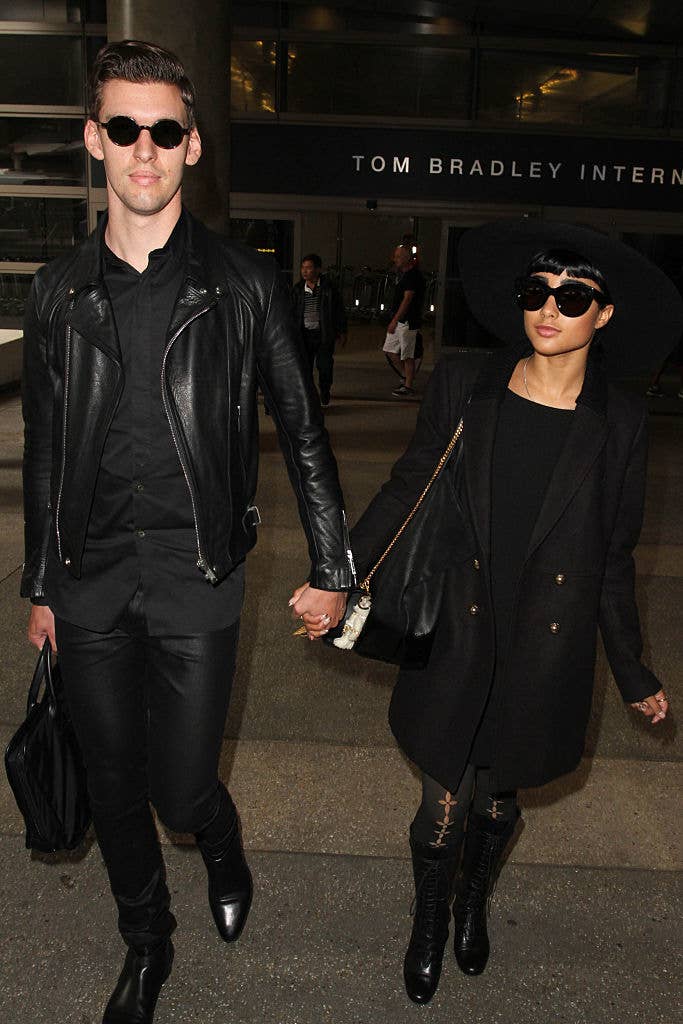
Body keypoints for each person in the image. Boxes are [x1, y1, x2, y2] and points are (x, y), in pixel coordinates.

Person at [21, 40, 353, 1024]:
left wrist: (332, 564)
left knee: (176, 787)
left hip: (198, 574)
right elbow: (44, 452)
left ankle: (215, 833)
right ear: (93, 139)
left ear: (192, 145)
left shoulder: (243, 287)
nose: (143, 149)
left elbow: (301, 430)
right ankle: (146, 939)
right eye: (122, 127)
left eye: (164, 130)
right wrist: (42, 582)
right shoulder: (57, 293)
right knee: (114, 783)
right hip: (88, 579)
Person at [346, 219, 677, 1005]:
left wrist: (631, 669)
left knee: (499, 798)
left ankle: (472, 901)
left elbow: (611, 558)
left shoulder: (622, 425)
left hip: (544, 646)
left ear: (602, 315)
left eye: (572, 296)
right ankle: (430, 918)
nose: (549, 309)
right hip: (457, 628)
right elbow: (405, 484)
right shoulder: (467, 385)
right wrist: (340, 573)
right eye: (536, 292)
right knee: (443, 799)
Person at [291, 252, 347, 408]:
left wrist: (342, 331)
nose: (304, 271)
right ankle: (308, 397)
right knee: (304, 368)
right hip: (304, 335)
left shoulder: (329, 289)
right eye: (303, 268)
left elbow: (339, 311)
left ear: (318, 269)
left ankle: (324, 390)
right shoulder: (297, 290)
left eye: (308, 268)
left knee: (324, 366)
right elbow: (292, 312)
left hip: (323, 335)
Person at [383, 242, 425, 399]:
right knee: (390, 350)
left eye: (399, 256)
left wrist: (395, 320)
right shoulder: (403, 274)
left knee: (407, 355)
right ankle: (407, 377)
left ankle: (408, 385)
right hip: (401, 321)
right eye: (395, 256)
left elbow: (407, 300)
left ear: (408, 258)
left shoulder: (413, 275)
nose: (396, 259)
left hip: (408, 321)